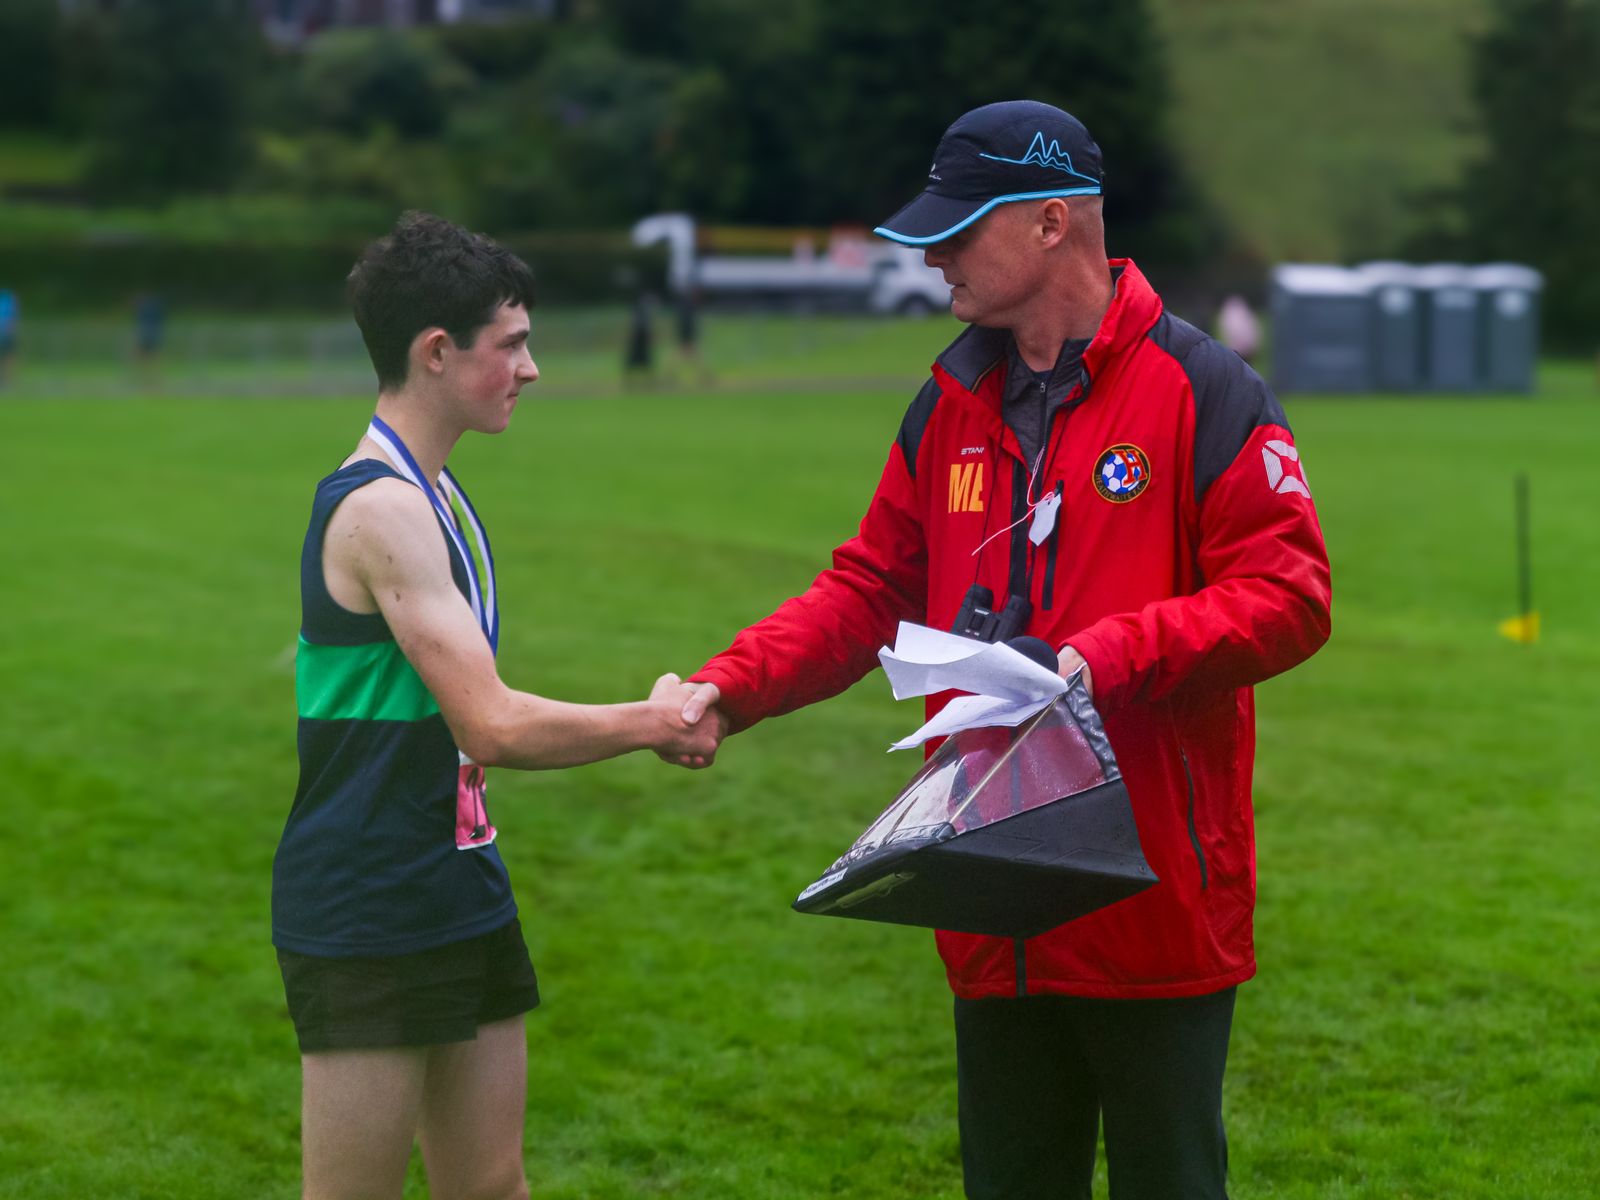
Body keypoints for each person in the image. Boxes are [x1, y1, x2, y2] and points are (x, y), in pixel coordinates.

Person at [675, 101, 1332, 1199]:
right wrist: (727, 689)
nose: (933, 256)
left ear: (1049, 223)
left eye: (959, 228)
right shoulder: (946, 405)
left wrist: (1109, 654)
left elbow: (1287, 597)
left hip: (1155, 910)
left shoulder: (1204, 389)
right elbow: (868, 590)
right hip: (988, 899)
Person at [273, 212, 721, 1200]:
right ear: (437, 352)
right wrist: (652, 721)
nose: (531, 368)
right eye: (511, 344)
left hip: (456, 876)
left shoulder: (439, 494)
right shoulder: (380, 508)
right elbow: (493, 724)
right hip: (367, 898)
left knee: (490, 1185)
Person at [0, 287, 18, 388]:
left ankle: (8, 379)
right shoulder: (9, 299)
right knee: (8, 356)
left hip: (6, 334)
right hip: (6, 333)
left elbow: (13, 316)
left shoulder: (8, 298)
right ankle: (6, 379)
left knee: (8, 356)